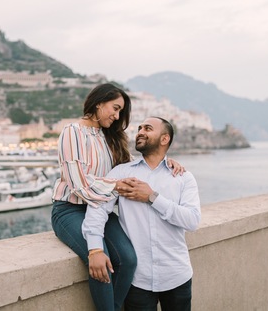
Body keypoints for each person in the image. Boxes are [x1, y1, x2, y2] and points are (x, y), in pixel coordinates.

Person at [51, 83, 185, 311]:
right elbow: (79, 184)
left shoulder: (111, 137)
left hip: (100, 209)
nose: (117, 116)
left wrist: (166, 162)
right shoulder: (72, 132)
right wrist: (117, 185)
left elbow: (136, 168)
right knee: (101, 260)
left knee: (129, 260)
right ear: (98, 102)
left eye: (120, 111)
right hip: (70, 209)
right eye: (115, 108)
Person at [82, 116, 201, 311]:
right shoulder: (121, 173)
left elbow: (192, 220)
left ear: (164, 139)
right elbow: (98, 209)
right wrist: (95, 249)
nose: (140, 132)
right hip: (138, 280)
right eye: (139, 128)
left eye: (147, 128)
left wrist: (152, 197)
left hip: (176, 276)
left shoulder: (182, 177)